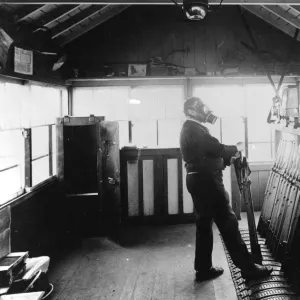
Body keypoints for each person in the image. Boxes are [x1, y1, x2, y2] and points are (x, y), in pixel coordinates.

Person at [179, 97, 273, 282]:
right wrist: (235, 149)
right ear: (191, 112)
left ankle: (203, 269)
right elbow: (217, 149)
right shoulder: (194, 129)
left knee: (204, 225)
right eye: (201, 108)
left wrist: (224, 159)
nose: (206, 112)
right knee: (228, 223)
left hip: (196, 179)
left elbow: (208, 156)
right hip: (208, 183)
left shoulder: (190, 128)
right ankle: (248, 268)